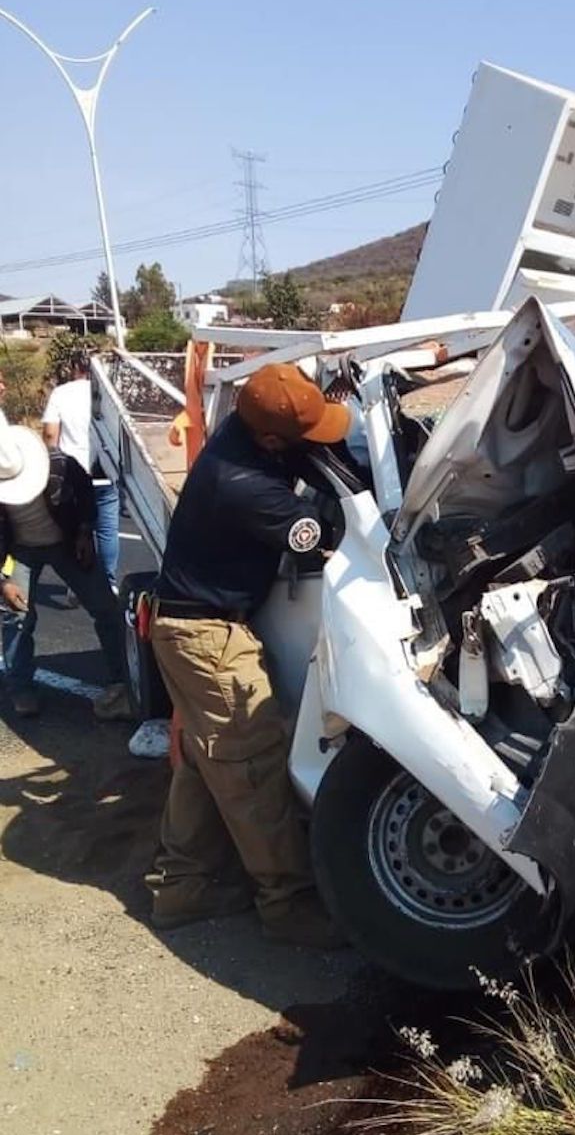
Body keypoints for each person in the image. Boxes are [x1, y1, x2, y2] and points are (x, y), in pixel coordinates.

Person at [146, 362, 351, 948]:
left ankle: (182, 889)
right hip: (208, 638)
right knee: (252, 766)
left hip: (189, 628)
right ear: (269, 438)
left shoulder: (245, 433)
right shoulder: (246, 487)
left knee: (209, 764)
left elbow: (300, 445)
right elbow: (319, 534)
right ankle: (287, 903)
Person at [0, 394, 130, 720]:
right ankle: (21, 688)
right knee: (15, 617)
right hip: (18, 551)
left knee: (105, 608)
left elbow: (87, 494)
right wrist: (2, 580)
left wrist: (85, 532)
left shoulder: (59, 464)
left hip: (65, 542)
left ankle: (123, 680)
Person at [41, 355, 120, 592]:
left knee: (74, 527)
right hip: (104, 469)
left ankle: (77, 582)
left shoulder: (61, 393)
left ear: (74, 367)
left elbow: (50, 434)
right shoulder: (109, 394)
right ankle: (109, 582)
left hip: (72, 473)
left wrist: (51, 464)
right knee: (107, 529)